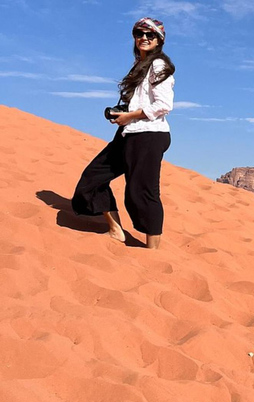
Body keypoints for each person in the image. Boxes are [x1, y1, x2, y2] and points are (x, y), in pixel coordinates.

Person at [72, 17, 175, 249]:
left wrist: (131, 115)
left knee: (142, 192)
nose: (144, 38)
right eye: (139, 33)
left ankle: (153, 251)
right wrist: (124, 116)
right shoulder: (140, 65)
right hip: (129, 133)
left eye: (150, 35)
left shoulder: (158, 65)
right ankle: (117, 229)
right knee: (92, 178)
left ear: (159, 40)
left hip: (149, 135)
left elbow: (164, 105)